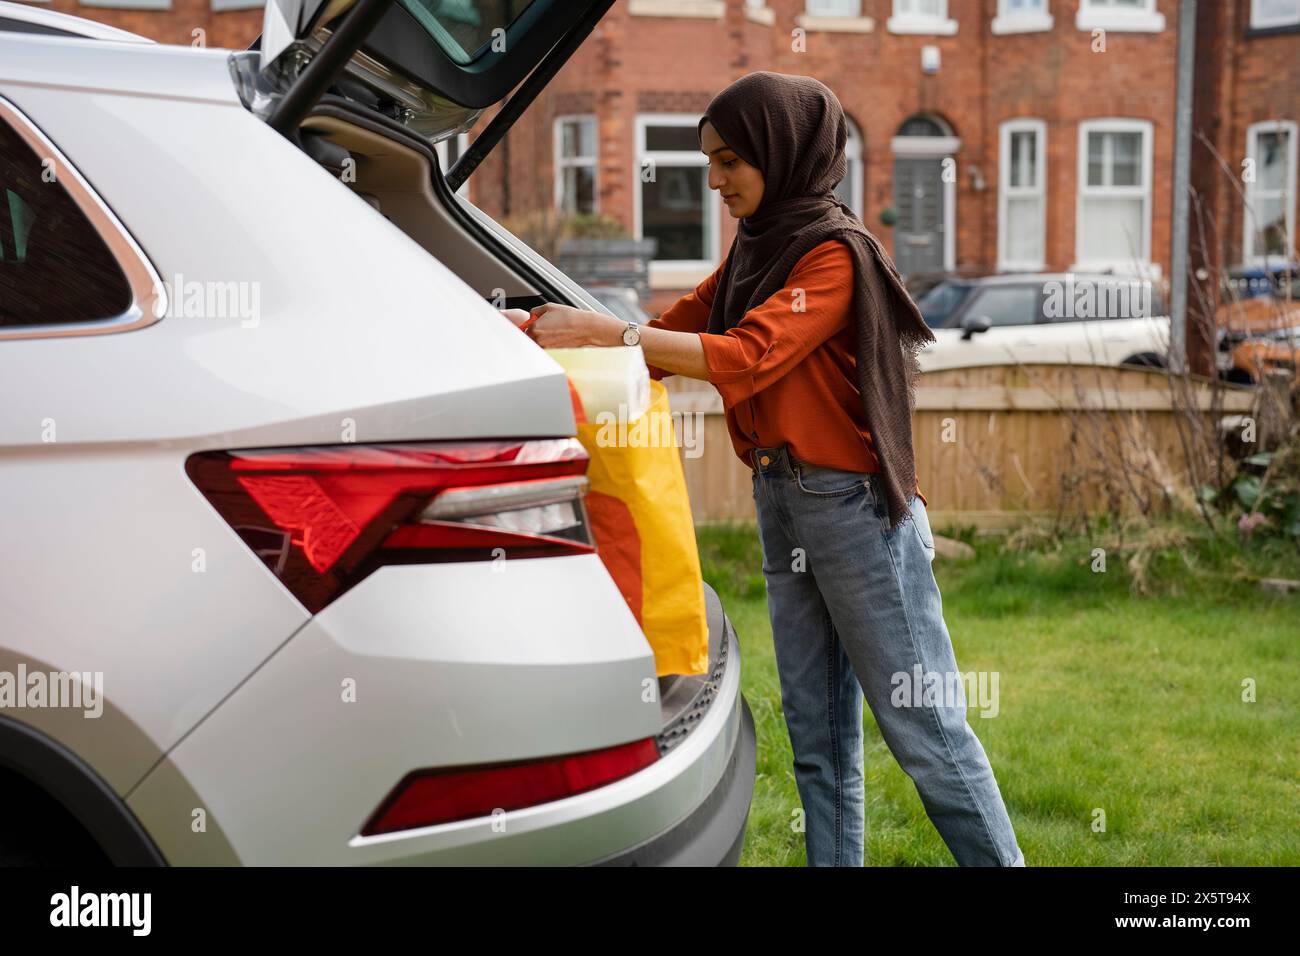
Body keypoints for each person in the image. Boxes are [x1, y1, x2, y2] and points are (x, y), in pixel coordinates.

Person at [510, 71, 1024, 867]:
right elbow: (659, 339)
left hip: (854, 509)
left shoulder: (833, 257)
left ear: (780, 155)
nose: (714, 181)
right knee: (817, 740)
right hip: (783, 498)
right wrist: (532, 331)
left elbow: (746, 359)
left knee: (926, 734)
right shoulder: (755, 254)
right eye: (709, 162)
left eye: (728, 162)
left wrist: (606, 335)